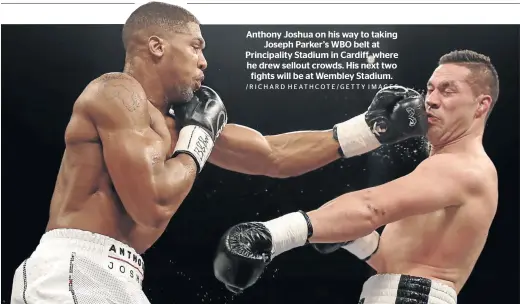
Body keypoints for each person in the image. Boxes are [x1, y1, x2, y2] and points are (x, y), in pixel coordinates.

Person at [9, 2, 427, 304]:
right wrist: (197, 138)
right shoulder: (116, 92)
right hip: (74, 267)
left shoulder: (181, 123)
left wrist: (369, 132)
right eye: (195, 46)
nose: (204, 61)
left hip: (121, 278)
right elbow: (151, 204)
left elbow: (271, 155)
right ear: (156, 46)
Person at [214, 49, 500, 304]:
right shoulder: (445, 168)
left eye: (448, 91)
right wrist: (355, 240)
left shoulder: (464, 167)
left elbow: (370, 207)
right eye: (430, 89)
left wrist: (273, 234)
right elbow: (391, 259)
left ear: (481, 105)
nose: (431, 101)